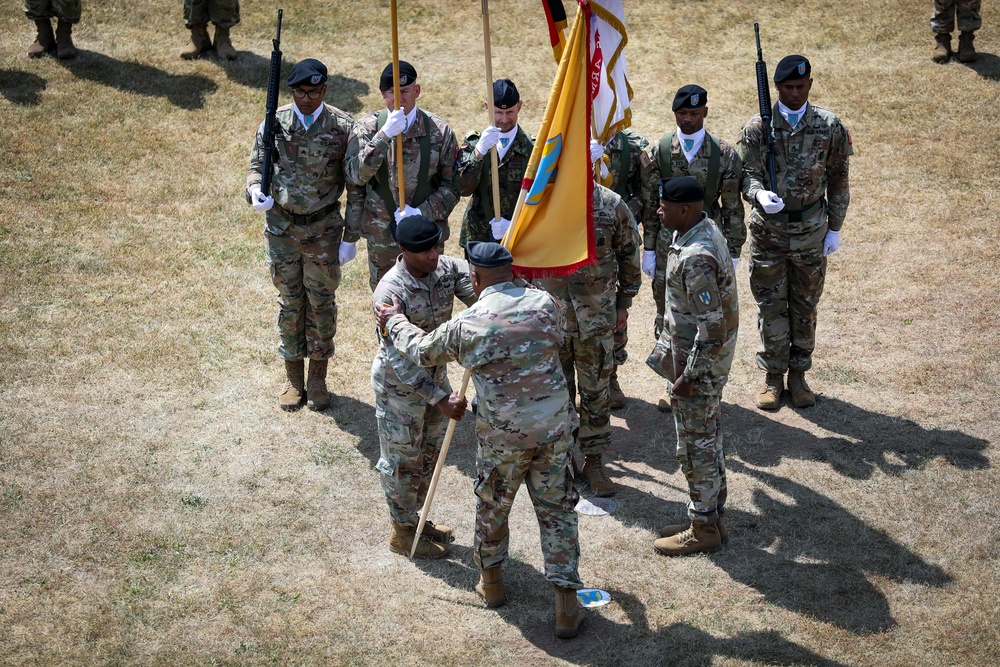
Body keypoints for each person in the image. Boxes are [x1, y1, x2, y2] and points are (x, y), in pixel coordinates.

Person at [374, 241, 587, 639]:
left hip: (503, 437)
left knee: (492, 506)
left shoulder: (469, 324)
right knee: (558, 513)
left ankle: (491, 585)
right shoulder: (547, 304)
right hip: (555, 431)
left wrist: (394, 320)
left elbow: (422, 351)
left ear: (473, 277)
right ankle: (566, 606)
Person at [736, 55, 853, 410]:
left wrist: (834, 228)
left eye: (801, 87)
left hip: (810, 233)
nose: (794, 93)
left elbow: (839, 179)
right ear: (776, 87)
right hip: (769, 233)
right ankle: (772, 377)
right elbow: (746, 173)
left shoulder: (829, 125)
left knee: (805, 305)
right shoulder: (758, 127)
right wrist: (757, 193)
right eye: (788, 87)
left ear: (810, 85)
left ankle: (799, 376)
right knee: (771, 306)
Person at [246, 58, 363, 412]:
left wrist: (350, 237)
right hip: (281, 228)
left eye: (314, 92)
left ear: (325, 90)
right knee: (290, 301)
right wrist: (254, 190)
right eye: (300, 92)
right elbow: (256, 165)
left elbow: (356, 186)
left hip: (324, 229)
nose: (306, 99)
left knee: (321, 303)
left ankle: (318, 379)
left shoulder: (343, 127)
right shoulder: (274, 122)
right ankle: (294, 379)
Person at [371, 214, 477, 559]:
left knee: (430, 454)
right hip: (401, 388)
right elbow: (396, 357)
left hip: (436, 378)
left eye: (436, 246)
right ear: (403, 250)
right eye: (424, 251)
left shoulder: (446, 268)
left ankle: (414, 519)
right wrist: (439, 398)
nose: (433, 255)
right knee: (403, 461)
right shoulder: (390, 292)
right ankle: (401, 532)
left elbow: (479, 295)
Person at [645, 176, 738, 556]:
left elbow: (712, 326)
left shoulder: (696, 256)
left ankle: (702, 528)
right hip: (703, 363)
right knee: (709, 438)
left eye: (664, 206)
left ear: (685, 210)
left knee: (696, 447)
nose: (658, 210)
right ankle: (711, 515)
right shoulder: (702, 228)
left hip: (698, 369)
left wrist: (687, 377)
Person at [639, 85, 744, 412]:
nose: (687, 119)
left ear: (705, 113)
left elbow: (731, 206)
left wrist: (735, 248)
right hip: (667, 246)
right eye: (682, 113)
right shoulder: (659, 151)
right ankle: (672, 379)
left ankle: (705, 380)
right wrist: (649, 248)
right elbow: (649, 203)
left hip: (704, 248)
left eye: (694, 114)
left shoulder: (723, 154)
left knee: (706, 315)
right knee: (668, 314)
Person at [533, 183, 642, 497]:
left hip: (595, 318)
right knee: (556, 396)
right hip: (550, 320)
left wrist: (624, 303)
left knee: (595, 393)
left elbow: (629, 256)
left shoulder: (611, 204)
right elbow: (522, 258)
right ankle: (562, 464)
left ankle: (594, 461)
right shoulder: (538, 200)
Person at [346, 61, 460, 291]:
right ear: (382, 94)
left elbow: (453, 186)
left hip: (427, 233)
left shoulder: (439, 131)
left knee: (431, 296)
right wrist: (384, 136)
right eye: (391, 93)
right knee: (387, 301)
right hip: (383, 235)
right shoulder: (367, 129)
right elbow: (355, 176)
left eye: (405, 92)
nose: (398, 100)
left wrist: (421, 212)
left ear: (416, 91)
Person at [590, 129, 649, 409]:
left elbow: (645, 189)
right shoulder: (564, 139)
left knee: (613, 319)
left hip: (611, 236)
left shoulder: (634, 146)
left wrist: (620, 209)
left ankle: (611, 376)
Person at [455, 78, 534, 249]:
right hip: (479, 236)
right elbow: (462, 188)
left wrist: (515, 223)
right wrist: (479, 153)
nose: (504, 119)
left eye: (510, 112)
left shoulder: (533, 148)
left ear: (519, 106)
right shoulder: (474, 143)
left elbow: (542, 197)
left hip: (519, 237)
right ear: (487, 107)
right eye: (498, 112)